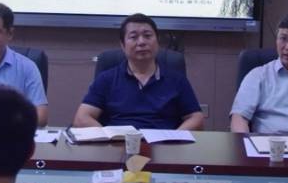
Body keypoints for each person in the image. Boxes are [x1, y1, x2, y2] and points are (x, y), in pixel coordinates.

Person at [73, 14, 204, 131]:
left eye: (147, 36)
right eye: (133, 37)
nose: (141, 42)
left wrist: (174, 138)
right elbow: (81, 118)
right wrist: (109, 137)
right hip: (118, 145)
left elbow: (196, 118)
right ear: (123, 45)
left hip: (163, 145)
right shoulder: (106, 79)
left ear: (157, 42)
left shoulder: (176, 80)